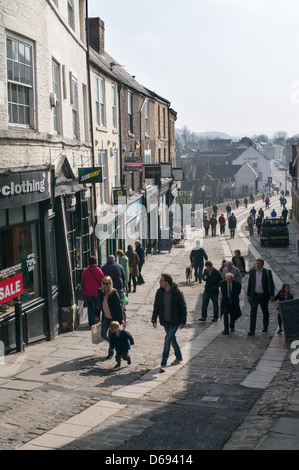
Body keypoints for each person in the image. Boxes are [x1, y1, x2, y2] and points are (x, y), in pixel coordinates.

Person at [152, 273, 187, 372]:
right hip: (165, 321)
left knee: (167, 340)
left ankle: (163, 363)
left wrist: (183, 321)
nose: (160, 282)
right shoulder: (159, 292)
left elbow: (183, 308)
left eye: (161, 280)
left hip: (175, 321)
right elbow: (156, 307)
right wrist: (154, 318)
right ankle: (179, 357)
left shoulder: (177, 293)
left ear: (167, 282)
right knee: (172, 339)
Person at [96, 276, 125, 359]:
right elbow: (99, 304)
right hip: (105, 317)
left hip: (113, 318)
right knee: (103, 334)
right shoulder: (100, 292)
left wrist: (121, 319)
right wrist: (97, 315)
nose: (105, 285)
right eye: (104, 283)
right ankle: (114, 344)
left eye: (107, 284)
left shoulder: (114, 293)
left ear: (110, 284)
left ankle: (110, 351)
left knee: (111, 335)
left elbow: (119, 308)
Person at [247, 259, 275, 335]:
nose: (258, 265)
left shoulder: (267, 272)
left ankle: (265, 326)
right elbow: (250, 283)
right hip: (255, 295)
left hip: (263, 295)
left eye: (259, 264)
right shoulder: (252, 272)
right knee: (253, 312)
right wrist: (248, 294)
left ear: (262, 265)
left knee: (265, 311)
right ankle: (252, 330)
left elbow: (271, 284)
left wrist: (272, 295)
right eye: (257, 264)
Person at [81, 255, 105, 327]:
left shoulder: (86, 270)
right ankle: (97, 320)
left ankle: (91, 322)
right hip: (97, 292)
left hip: (88, 292)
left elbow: (82, 281)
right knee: (98, 306)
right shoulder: (99, 270)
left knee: (90, 306)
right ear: (96, 262)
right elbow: (103, 280)